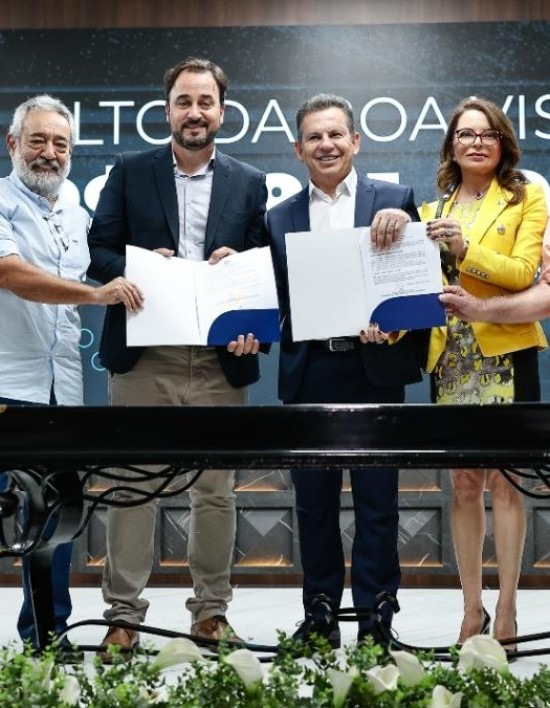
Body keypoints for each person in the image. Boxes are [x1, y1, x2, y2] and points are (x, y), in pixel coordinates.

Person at [87, 57, 268, 658]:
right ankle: (123, 618)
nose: (195, 112)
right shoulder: (130, 171)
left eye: (205, 102)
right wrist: (140, 267)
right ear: (167, 110)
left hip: (219, 360)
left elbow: (262, 267)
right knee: (133, 488)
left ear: (221, 111)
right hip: (146, 355)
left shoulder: (249, 181)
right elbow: (99, 251)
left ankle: (211, 615)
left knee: (215, 492)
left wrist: (245, 299)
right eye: (184, 102)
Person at [266, 93, 427, 649]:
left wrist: (393, 325)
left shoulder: (395, 200)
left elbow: (413, 286)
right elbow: (274, 300)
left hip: (374, 369)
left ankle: (377, 617)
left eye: (336, 134)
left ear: (355, 141)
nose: (326, 145)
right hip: (309, 371)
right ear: (298, 149)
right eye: (314, 137)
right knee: (313, 504)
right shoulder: (279, 218)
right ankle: (320, 616)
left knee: (378, 501)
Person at [0, 94, 142, 653]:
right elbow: (11, 274)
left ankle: (46, 632)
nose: (49, 152)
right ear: (13, 144)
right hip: (8, 386)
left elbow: (106, 265)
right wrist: (95, 295)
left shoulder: (77, 213)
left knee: (57, 515)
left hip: (63, 390)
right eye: (37, 140)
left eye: (60, 144)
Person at [421, 97, 547, 649]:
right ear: (451, 145)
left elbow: (522, 273)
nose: (476, 142)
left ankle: (508, 609)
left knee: (506, 482)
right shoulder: (430, 209)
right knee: (464, 483)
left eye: (487, 133)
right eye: (465, 134)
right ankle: (471, 610)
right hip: (451, 359)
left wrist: (465, 248)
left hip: (505, 354)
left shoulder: (526, 196)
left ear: (503, 143)